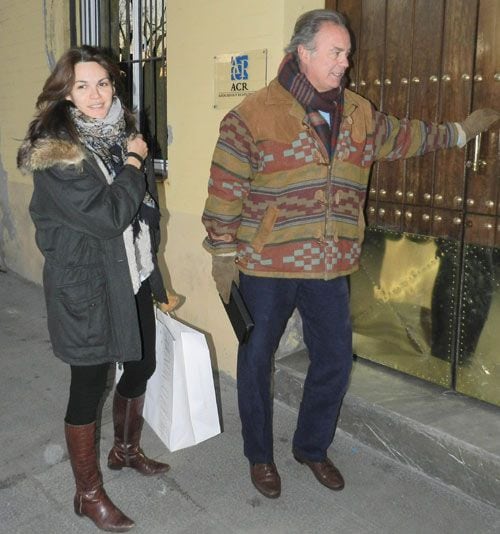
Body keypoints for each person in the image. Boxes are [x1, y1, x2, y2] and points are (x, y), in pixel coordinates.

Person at [202, 9, 500, 499]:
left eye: (347, 53)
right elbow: (224, 190)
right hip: (265, 266)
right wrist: (221, 253)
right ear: (304, 53)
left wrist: (461, 132)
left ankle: (311, 447)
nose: (346, 63)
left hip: (329, 265)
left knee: (336, 360)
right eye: (337, 53)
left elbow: (406, 137)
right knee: (257, 360)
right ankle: (259, 455)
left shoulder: (358, 112)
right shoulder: (251, 116)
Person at [17, 45, 180, 531]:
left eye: (103, 83)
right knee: (87, 388)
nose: (95, 94)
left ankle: (125, 450)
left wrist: (156, 279)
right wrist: (133, 162)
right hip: (85, 285)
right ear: (65, 92)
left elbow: (142, 218)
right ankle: (87, 494)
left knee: (142, 365)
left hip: (128, 273)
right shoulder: (58, 154)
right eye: (83, 85)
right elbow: (111, 216)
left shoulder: (118, 138)